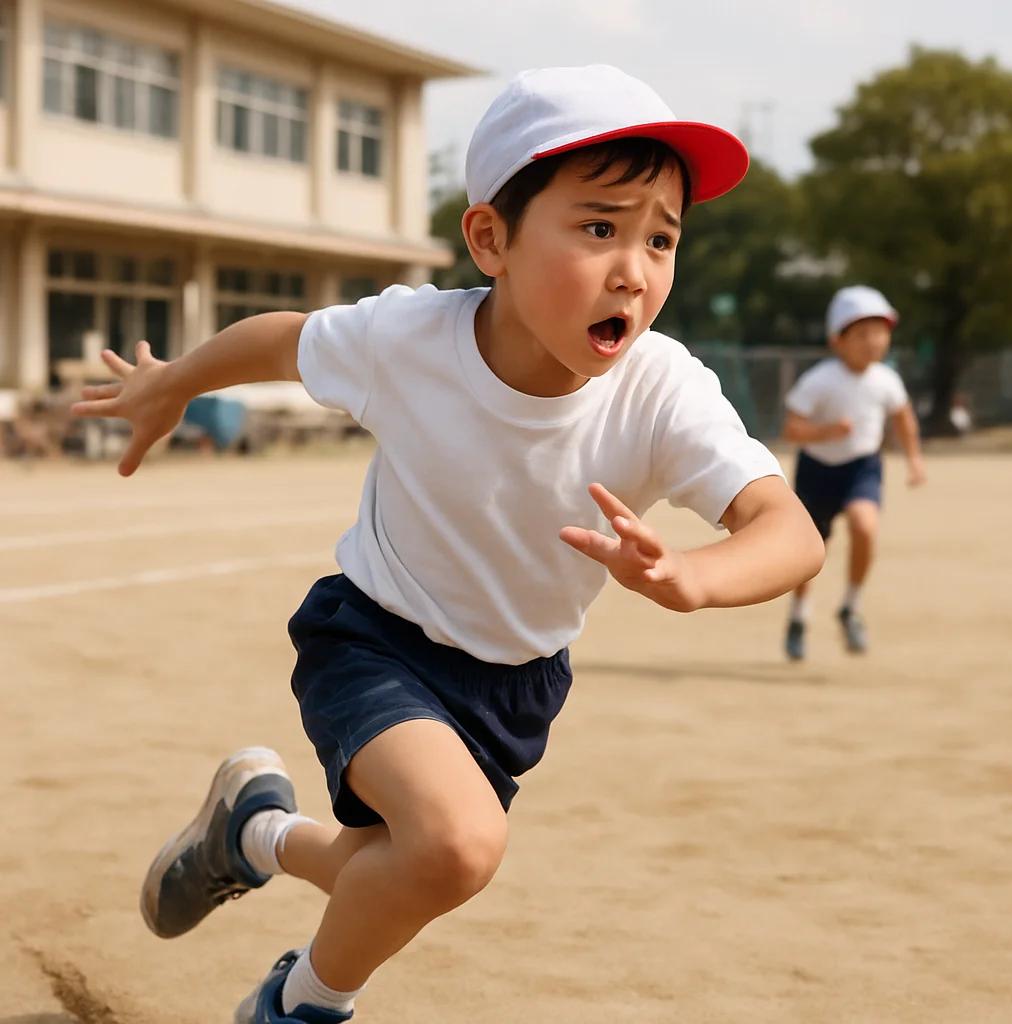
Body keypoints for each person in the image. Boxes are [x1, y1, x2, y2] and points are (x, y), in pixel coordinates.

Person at [73, 65, 824, 1024]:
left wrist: (691, 576)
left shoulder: (662, 390)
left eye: (662, 237)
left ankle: (252, 834)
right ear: (491, 238)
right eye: (600, 227)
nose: (635, 268)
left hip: (514, 683)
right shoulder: (413, 338)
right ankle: (297, 1007)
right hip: (374, 639)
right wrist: (174, 383)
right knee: (456, 846)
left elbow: (787, 529)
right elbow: (281, 340)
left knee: (406, 869)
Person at [781, 285, 926, 661]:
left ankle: (850, 606)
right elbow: (792, 429)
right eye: (862, 334)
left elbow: (903, 418)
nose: (874, 342)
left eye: (880, 333)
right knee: (810, 554)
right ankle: (798, 616)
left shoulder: (886, 380)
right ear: (837, 341)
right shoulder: (819, 380)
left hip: (863, 466)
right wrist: (826, 432)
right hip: (817, 471)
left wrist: (914, 459)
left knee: (865, 526)